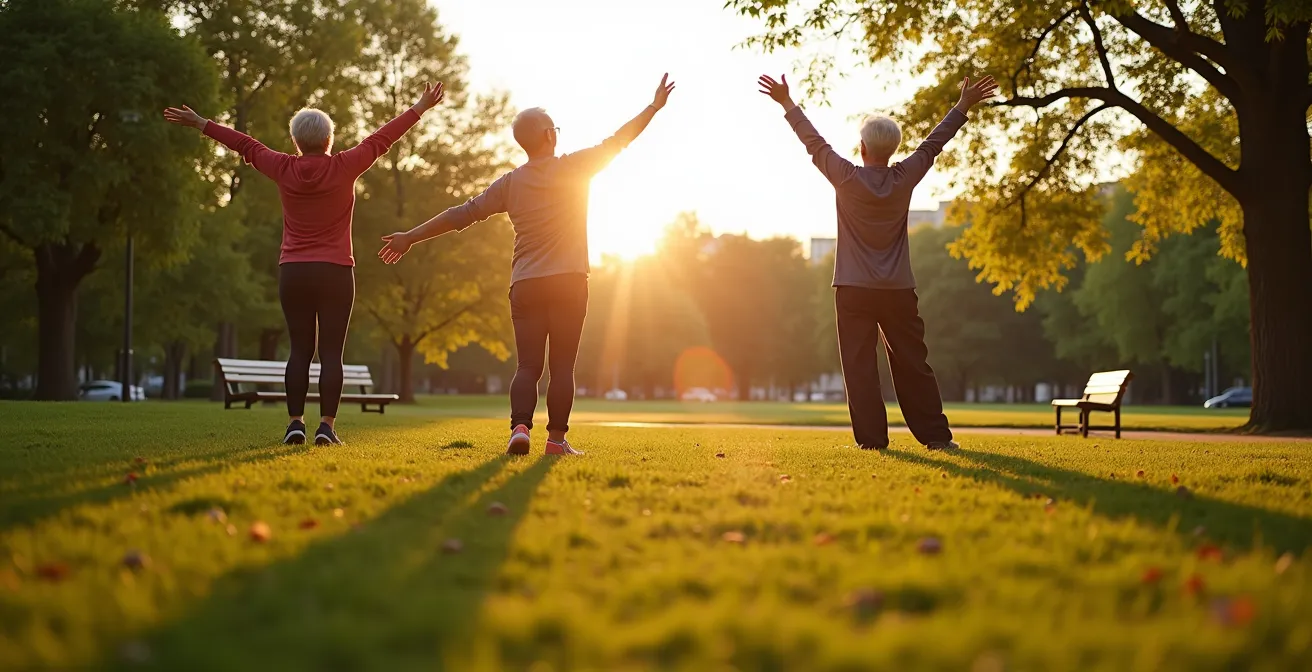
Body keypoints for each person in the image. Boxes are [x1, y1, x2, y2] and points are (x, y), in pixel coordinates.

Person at [377, 74, 677, 456]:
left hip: (526, 284)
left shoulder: (509, 183)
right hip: (569, 280)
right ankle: (555, 441)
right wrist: (653, 107)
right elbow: (619, 140)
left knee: (527, 366)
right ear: (551, 136)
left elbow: (461, 214)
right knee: (562, 367)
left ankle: (520, 427)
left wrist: (410, 237)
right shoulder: (575, 166)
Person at [163, 83, 446, 446]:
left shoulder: (283, 167)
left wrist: (202, 123)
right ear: (329, 139)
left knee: (299, 350)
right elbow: (382, 139)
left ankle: (294, 423)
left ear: (296, 141)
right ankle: (326, 427)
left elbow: (246, 145)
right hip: (336, 272)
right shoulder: (345, 165)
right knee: (331, 354)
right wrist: (420, 106)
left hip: (294, 271)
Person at [757, 73, 998, 451]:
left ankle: (872, 442)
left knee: (859, 369)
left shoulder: (846, 178)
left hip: (853, 289)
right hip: (898, 289)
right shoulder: (905, 177)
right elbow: (933, 145)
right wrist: (962, 106)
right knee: (913, 364)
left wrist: (788, 104)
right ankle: (936, 438)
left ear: (862, 148)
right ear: (891, 149)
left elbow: (814, 143)